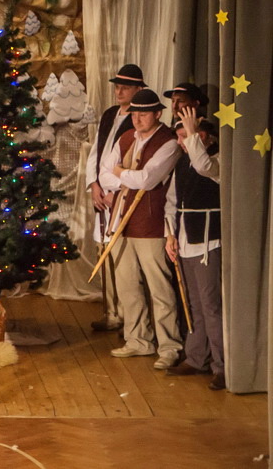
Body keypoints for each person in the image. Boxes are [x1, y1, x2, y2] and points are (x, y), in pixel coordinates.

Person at [98, 89, 182, 369]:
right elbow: (104, 175)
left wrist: (121, 173)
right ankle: (138, 340)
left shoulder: (168, 142)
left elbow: (148, 179)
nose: (137, 118)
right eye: (134, 113)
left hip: (150, 225)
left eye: (143, 113)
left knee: (159, 289)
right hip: (121, 223)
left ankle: (169, 345)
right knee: (127, 287)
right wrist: (124, 176)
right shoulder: (125, 138)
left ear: (157, 113)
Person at [164, 109, 225, 390]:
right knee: (194, 305)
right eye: (180, 136)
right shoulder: (183, 162)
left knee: (211, 306)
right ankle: (196, 357)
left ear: (201, 136)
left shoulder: (217, 159)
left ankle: (222, 366)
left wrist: (191, 135)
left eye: (184, 136)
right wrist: (170, 235)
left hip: (207, 242)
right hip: (186, 240)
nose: (181, 142)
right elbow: (171, 201)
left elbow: (205, 168)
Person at [85, 63, 144, 332]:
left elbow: (135, 162)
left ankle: (127, 315)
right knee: (105, 254)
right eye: (117, 87)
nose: (119, 92)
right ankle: (111, 312)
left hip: (120, 195)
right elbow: (97, 152)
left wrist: (115, 191)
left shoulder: (139, 118)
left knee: (121, 256)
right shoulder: (110, 114)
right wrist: (94, 184)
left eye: (125, 88)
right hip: (103, 193)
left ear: (138, 90)